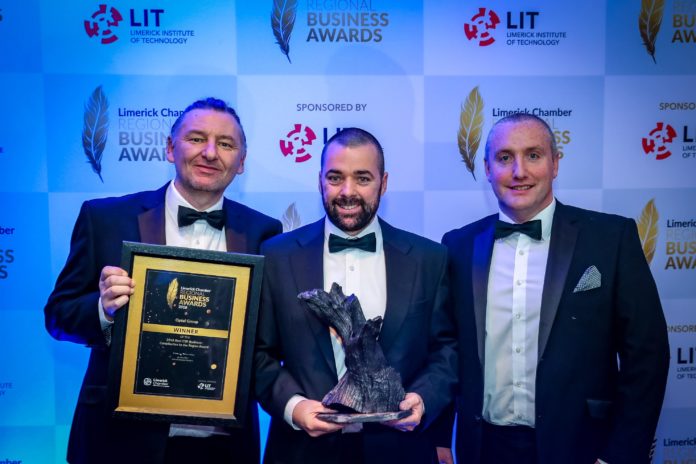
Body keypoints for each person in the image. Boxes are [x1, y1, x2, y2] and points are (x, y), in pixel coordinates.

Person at [44, 97, 282, 464]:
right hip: (120, 441)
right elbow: (58, 315)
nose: (210, 153)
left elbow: (267, 338)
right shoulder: (104, 218)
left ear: (241, 162)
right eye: (196, 139)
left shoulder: (265, 232)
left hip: (223, 445)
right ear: (171, 148)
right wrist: (103, 310)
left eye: (225, 144)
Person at [442, 113, 670, 464]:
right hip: (483, 448)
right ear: (487, 169)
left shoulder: (611, 239)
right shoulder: (458, 245)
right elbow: (445, 351)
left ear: (555, 164)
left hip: (582, 449)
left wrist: (620, 456)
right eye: (504, 158)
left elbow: (648, 356)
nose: (519, 171)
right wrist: (442, 440)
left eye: (533, 155)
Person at [254, 127, 458, 463]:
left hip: (400, 452)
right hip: (301, 451)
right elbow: (259, 354)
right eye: (336, 178)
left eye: (362, 178)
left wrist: (422, 399)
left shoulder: (428, 258)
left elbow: (446, 350)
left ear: (384, 182)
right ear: (320, 179)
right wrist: (295, 406)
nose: (347, 191)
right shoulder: (277, 256)